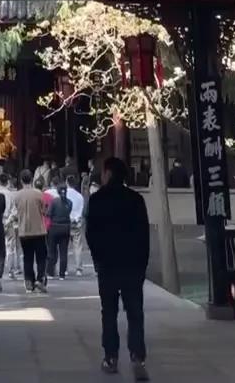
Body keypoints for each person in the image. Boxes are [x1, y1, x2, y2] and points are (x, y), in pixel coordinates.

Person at [86, 156, 150, 379]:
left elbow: (91, 234)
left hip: (108, 265)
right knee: (135, 312)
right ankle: (137, 355)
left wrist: (97, 258)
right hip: (132, 265)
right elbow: (144, 235)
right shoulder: (136, 200)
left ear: (108, 173)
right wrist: (142, 264)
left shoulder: (97, 200)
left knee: (109, 312)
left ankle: (111, 357)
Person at [14, 169, 49, 291]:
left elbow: (16, 210)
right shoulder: (39, 194)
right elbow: (44, 211)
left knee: (27, 257)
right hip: (39, 230)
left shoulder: (17, 195)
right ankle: (40, 279)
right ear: (32, 179)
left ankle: (29, 280)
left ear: (21, 180)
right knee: (41, 257)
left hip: (24, 231)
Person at [46, 180, 73, 279]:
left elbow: (49, 214)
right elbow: (69, 212)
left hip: (54, 227)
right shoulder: (69, 202)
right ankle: (62, 274)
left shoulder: (54, 201)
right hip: (66, 228)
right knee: (63, 252)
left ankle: (50, 272)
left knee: (51, 251)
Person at [0, 172, 22, 279]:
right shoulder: (11, 194)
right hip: (9, 222)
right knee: (10, 247)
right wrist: (8, 221)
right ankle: (11, 270)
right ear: (7, 182)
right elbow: (14, 211)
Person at [65, 173, 87, 275]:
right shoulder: (80, 196)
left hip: (66, 222)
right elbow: (82, 210)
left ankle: (64, 268)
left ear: (67, 183)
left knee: (64, 247)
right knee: (78, 246)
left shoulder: (64, 194)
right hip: (76, 222)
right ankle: (79, 269)